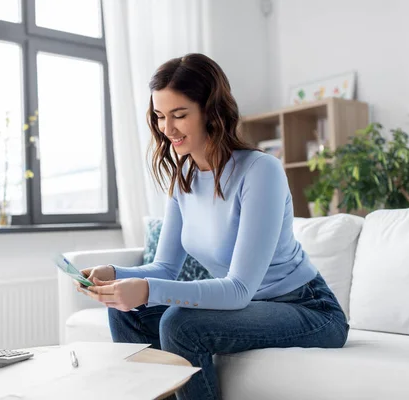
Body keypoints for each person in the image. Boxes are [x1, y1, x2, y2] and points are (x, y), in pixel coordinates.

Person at [77, 53, 349, 400]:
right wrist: (113, 275)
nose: (168, 129)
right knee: (125, 313)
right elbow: (164, 268)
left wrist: (146, 289)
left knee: (180, 323)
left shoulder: (260, 171)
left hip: (307, 309)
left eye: (179, 115)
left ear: (211, 111)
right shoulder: (184, 179)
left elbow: (238, 290)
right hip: (247, 308)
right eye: (160, 116)